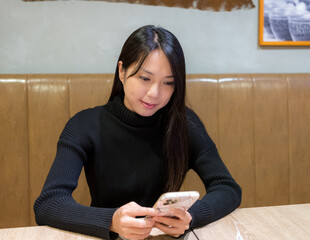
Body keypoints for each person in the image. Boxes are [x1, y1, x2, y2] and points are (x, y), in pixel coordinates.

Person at [33, 25, 242, 240]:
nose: (154, 94)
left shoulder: (184, 123)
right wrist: (112, 221)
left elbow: (227, 188)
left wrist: (190, 217)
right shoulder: (84, 125)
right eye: (145, 78)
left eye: (168, 83)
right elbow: (49, 203)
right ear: (122, 71)